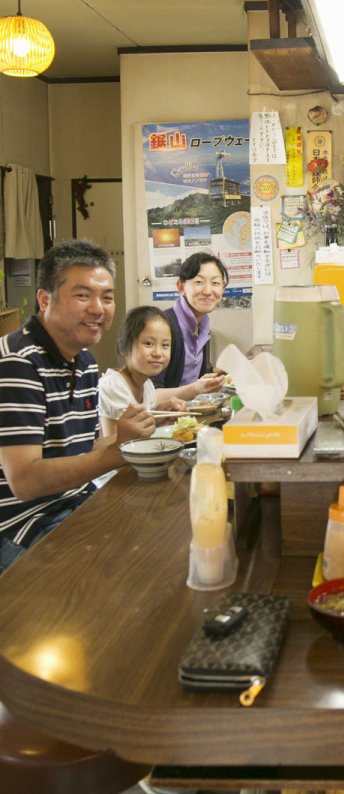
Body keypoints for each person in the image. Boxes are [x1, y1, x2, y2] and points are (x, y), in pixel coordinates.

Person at [0, 239, 155, 571]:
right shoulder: (16, 362)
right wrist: (116, 452)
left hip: (72, 503)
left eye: (107, 297)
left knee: (157, 533)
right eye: (83, 295)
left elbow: (81, 451)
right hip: (18, 525)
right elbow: (25, 481)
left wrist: (127, 438)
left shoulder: (83, 361)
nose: (98, 308)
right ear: (45, 299)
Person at [98, 306, 194, 437]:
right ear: (124, 347)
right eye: (148, 344)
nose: (158, 353)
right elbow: (113, 444)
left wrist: (162, 417)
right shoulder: (114, 386)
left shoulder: (147, 385)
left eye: (165, 345)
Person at [153, 252, 229, 394]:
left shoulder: (203, 325)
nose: (208, 291)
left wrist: (217, 374)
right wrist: (196, 389)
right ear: (181, 287)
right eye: (199, 282)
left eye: (215, 283)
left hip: (187, 411)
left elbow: (193, 376)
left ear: (223, 289)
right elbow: (150, 395)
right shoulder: (164, 326)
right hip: (164, 414)